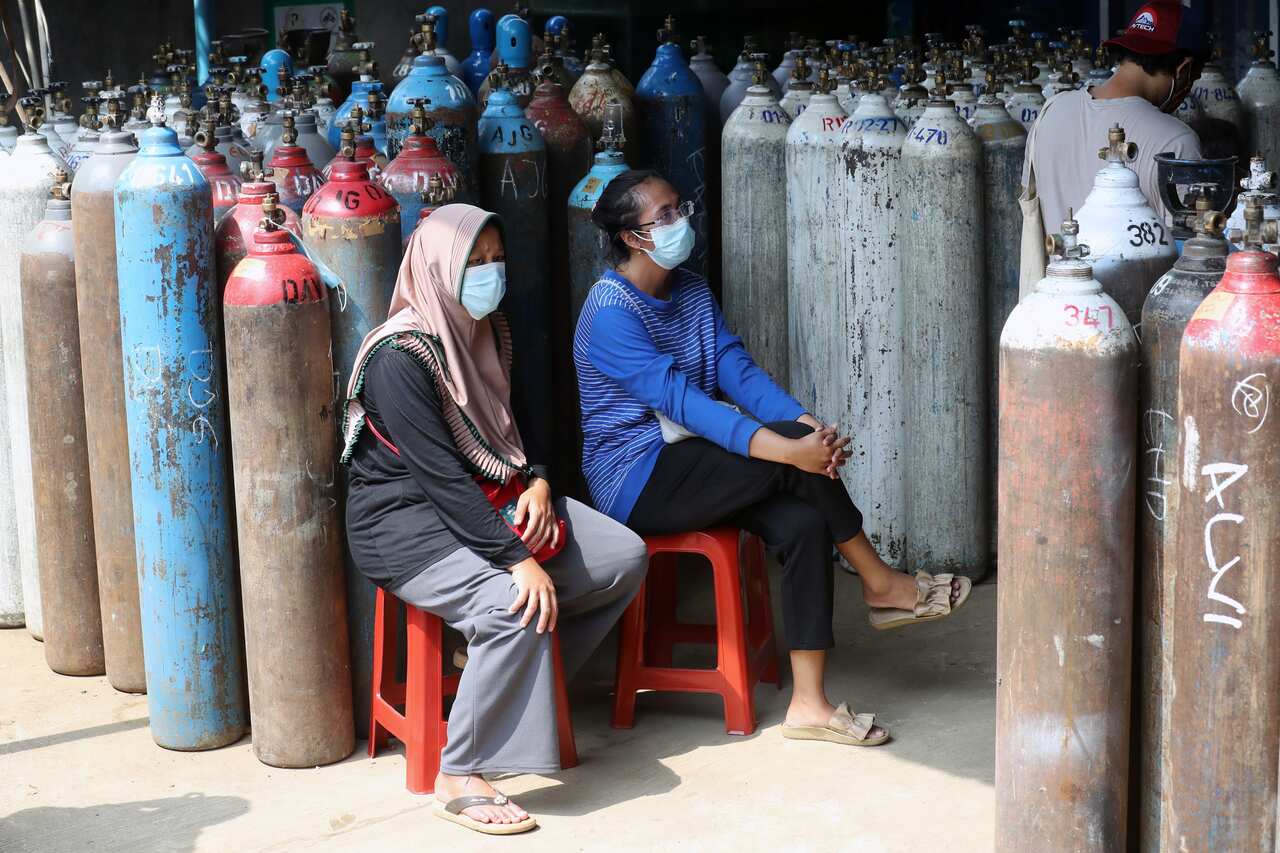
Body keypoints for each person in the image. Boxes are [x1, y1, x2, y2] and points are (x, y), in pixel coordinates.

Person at [573, 170, 971, 748]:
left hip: (700, 461)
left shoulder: (689, 291)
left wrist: (808, 427)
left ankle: (809, 703)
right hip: (638, 477)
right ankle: (880, 581)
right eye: (664, 216)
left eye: (679, 207)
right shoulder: (611, 314)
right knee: (793, 459)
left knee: (805, 521)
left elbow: (737, 370)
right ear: (633, 238)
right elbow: (686, 403)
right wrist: (789, 450)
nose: (680, 220)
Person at [342, 204, 648, 836]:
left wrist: (538, 481)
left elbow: (526, 425)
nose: (489, 275)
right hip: (405, 525)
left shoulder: (491, 330)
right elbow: (439, 477)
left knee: (621, 557)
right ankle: (458, 771)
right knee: (514, 604)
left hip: (497, 498)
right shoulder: (400, 357)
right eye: (473, 264)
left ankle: (509, 690)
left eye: (495, 260)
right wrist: (519, 559)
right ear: (435, 270)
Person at [1023, 0, 1207, 236]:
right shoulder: (1176, 141)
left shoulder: (1052, 110)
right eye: (1193, 79)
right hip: (1141, 275)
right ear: (1185, 70)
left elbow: (1030, 215)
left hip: (1058, 271)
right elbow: (1190, 250)